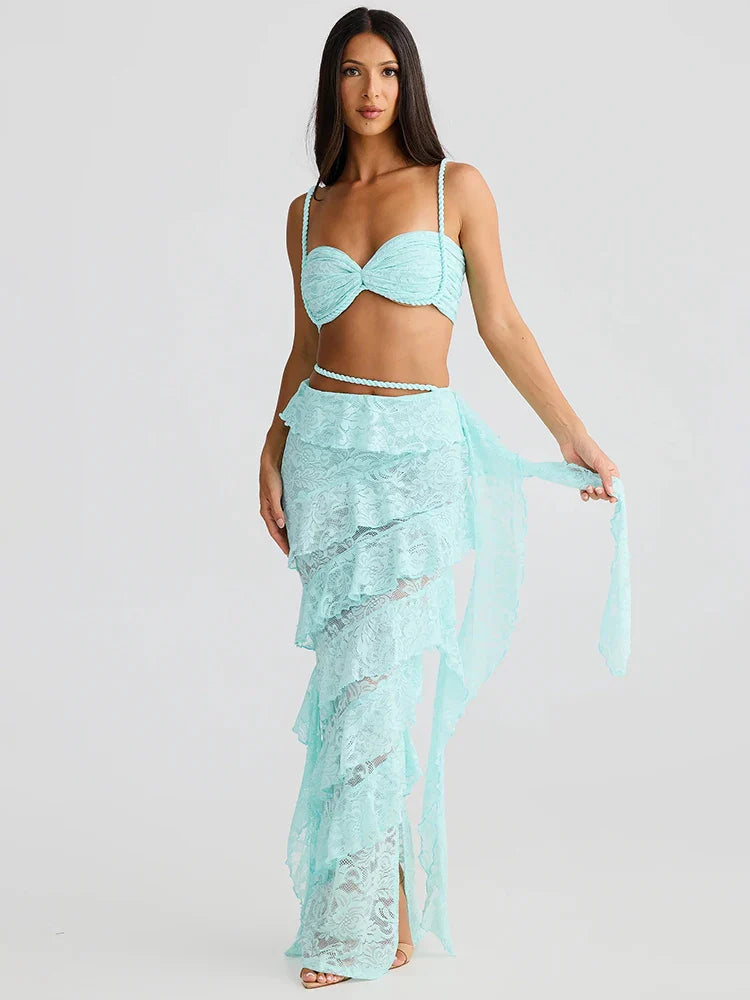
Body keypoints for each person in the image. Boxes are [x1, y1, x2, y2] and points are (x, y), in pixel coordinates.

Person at [258, 8, 631, 990]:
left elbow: (500, 321)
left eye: (387, 71)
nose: (371, 90)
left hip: (418, 454)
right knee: (349, 685)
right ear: (332, 87)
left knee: (387, 679)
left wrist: (573, 434)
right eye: (352, 72)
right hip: (325, 454)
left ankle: (367, 911)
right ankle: (377, 897)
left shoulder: (453, 187)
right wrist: (271, 444)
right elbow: (303, 347)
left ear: (408, 82)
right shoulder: (306, 211)